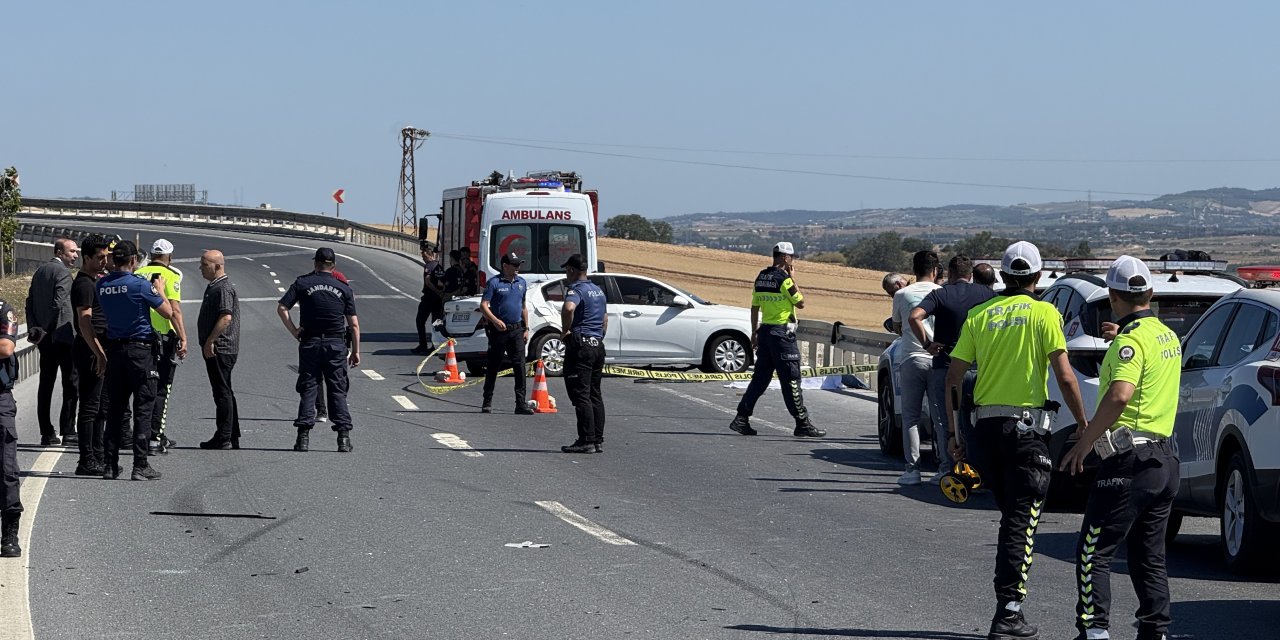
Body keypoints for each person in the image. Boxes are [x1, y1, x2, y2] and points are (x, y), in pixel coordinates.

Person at [945, 241, 1089, 640]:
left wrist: (955, 437)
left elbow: (954, 379)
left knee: (1011, 519)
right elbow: (1064, 376)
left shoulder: (979, 314)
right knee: (1020, 524)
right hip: (1026, 433)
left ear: (1004, 276)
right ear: (1038, 277)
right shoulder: (1045, 312)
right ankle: (1008, 610)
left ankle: (1008, 606)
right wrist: (1083, 424)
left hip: (984, 434)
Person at [1059, 257, 1180, 640]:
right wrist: (1121, 338)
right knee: (1149, 556)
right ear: (1150, 294)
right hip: (1163, 460)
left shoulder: (1130, 343)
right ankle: (1154, 632)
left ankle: (1094, 632)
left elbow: (1120, 395)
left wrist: (1087, 440)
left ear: (1113, 296)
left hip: (1128, 460)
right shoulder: (1165, 336)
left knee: (1093, 552)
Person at [909, 254, 995, 484]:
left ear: (949, 273)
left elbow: (914, 316)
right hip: (980, 367)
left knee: (947, 422)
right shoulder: (987, 295)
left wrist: (927, 344)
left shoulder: (941, 294)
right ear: (970, 275)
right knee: (980, 419)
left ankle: (951, 470)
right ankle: (981, 471)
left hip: (946, 366)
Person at [729, 242, 825, 438]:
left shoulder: (760, 277)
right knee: (791, 380)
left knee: (760, 380)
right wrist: (792, 277)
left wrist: (754, 333)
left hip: (764, 332)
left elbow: (754, 307)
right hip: (782, 335)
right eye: (792, 258)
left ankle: (741, 418)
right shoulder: (784, 279)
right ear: (786, 258)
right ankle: (802, 423)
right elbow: (801, 302)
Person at [96, 240, 175, 481]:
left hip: (114, 351)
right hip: (140, 351)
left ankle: (110, 465)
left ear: (114, 259)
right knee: (143, 406)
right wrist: (159, 290)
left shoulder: (101, 285)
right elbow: (168, 312)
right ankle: (140, 465)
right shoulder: (139, 285)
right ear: (132, 261)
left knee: (116, 409)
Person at [277, 247, 360, 453]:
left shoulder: (303, 283)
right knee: (337, 390)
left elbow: (282, 308)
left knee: (309, 388)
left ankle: (302, 438)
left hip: (310, 343)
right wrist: (356, 351)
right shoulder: (343, 288)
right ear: (333, 265)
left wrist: (295, 331)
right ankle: (343, 438)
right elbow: (354, 325)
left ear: (315, 263)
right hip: (336, 345)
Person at [891, 251, 942, 485]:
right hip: (939, 359)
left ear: (914, 270)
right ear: (935, 271)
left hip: (911, 357)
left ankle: (912, 469)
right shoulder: (943, 293)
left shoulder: (902, 294)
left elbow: (897, 325)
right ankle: (944, 467)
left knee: (910, 416)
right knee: (940, 416)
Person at [134, 239, 188, 454]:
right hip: (163, 338)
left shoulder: (138, 274)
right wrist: (183, 337)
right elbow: (174, 310)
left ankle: (144, 433)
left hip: (140, 336)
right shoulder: (171, 276)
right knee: (161, 389)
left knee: (142, 389)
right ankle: (155, 436)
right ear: (169, 256)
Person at [25, 237, 79, 447]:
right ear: (59, 253)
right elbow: (57, 304)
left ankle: (46, 432)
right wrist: (45, 328)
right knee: (71, 384)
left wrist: (35, 328)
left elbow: (29, 302)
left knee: (45, 384)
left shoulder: (40, 271)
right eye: (71, 252)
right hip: (62, 337)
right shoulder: (63, 273)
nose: (75, 255)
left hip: (45, 339)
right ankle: (68, 431)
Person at [70, 234, 112, 476]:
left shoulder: (96, 280)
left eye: (106, 256)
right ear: (86, 258)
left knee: (101, 407)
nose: (104, 261)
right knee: (89, 406)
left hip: (98, 348)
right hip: (89, 349)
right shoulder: (84, 284)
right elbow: (84, 323)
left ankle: (98, 454)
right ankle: (86, 459)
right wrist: (99, 353)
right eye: (99, 257)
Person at [559, 254, 607, 453]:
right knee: (595, 393)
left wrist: (565, 330)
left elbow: (569, 308)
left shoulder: (575, 290)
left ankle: (585, 440)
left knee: (581, 395)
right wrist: (599, 336)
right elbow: (604, 319)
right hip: (597, 345)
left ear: (571, 270)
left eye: (566, 270)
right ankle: (597, 439)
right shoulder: (598, 290)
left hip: (581, 345)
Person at [197, 251, 242, 450]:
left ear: (216, 266)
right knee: (225, 391)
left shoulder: (223, 288)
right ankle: (231, 434)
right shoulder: (215, 286)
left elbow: (226, 317)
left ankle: (224, 436)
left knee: (221, 392)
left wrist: (210, 340)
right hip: (218, 346)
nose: (200, 268)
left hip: (221, 347)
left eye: (204, 264)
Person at [479, 252, 531, 414]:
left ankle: (520, 403)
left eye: (519, 265)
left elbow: (523, 307)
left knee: (520, 366)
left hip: (516, 330)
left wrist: (526, 328)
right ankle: (487, 401)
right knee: (494, 365)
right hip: (499, 331)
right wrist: (495, 321)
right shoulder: (494, 283)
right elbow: (484, 305)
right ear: (505, 266)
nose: (517, 268)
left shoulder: (521, 283)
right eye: (514, 265)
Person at [1, 295, 23, 557]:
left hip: (0, 398)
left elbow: (6, 348)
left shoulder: (3, 310)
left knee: (6, 469)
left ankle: (9, 533)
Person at [412, 242, 446, 355]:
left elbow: (428, 281)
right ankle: (434, 345)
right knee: (436, 323)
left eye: (424, 256)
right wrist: (441, 292)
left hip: (429, 298)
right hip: (438, 299)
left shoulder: (429, 266)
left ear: (430, 255)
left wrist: (436, 291)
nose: (423, 258)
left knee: (420, 321)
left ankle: (423, 345)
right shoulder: (440, 266)